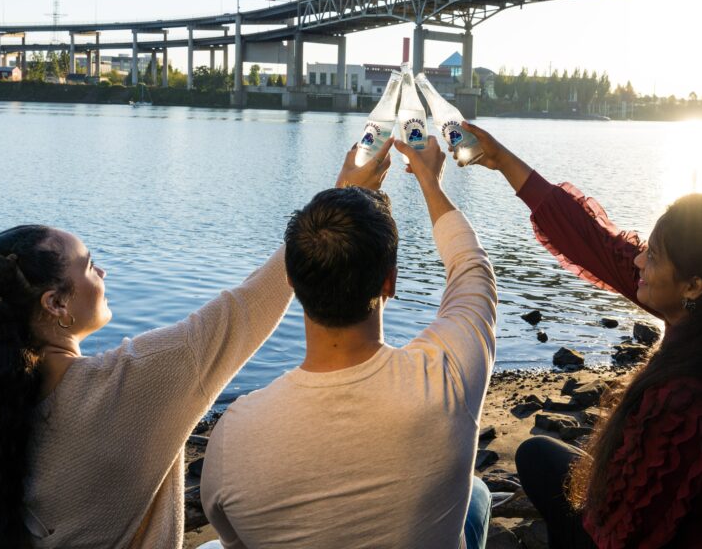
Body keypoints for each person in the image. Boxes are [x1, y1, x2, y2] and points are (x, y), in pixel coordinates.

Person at [0, 142, 394, 549]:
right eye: (90, 265)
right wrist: (344, 197)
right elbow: (251, 304)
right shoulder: (136, 383)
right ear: (56, 303)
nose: (103, 273)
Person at [457, 121, 702, 549]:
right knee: (540, 458)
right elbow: (595, 241)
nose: (636, 261)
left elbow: (618, 536)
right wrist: (504, 160)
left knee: (548, 477)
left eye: (651, 256)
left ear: (693, 285)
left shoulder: (687, 402)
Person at [200, 136, 497, 549]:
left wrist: (343, 196)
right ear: (390, 282)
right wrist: (430, 181)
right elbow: (472, 267)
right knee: (476, 493)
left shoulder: (233, 434)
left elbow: (234, 537)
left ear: (290, 281)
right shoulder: (447, 376)